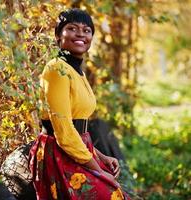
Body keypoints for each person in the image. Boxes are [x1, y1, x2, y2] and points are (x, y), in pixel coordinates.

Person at [29, 8, 130, 200]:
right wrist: (100, 172)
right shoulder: (56, 69)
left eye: (86, 30)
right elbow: (64, 131)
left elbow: (79, 128)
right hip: (58, 154)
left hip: (78, 149)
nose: (81, 34)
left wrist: (101, 157)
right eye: (72, 28)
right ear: (58, 35)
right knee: (111, 195)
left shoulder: (76, 71)